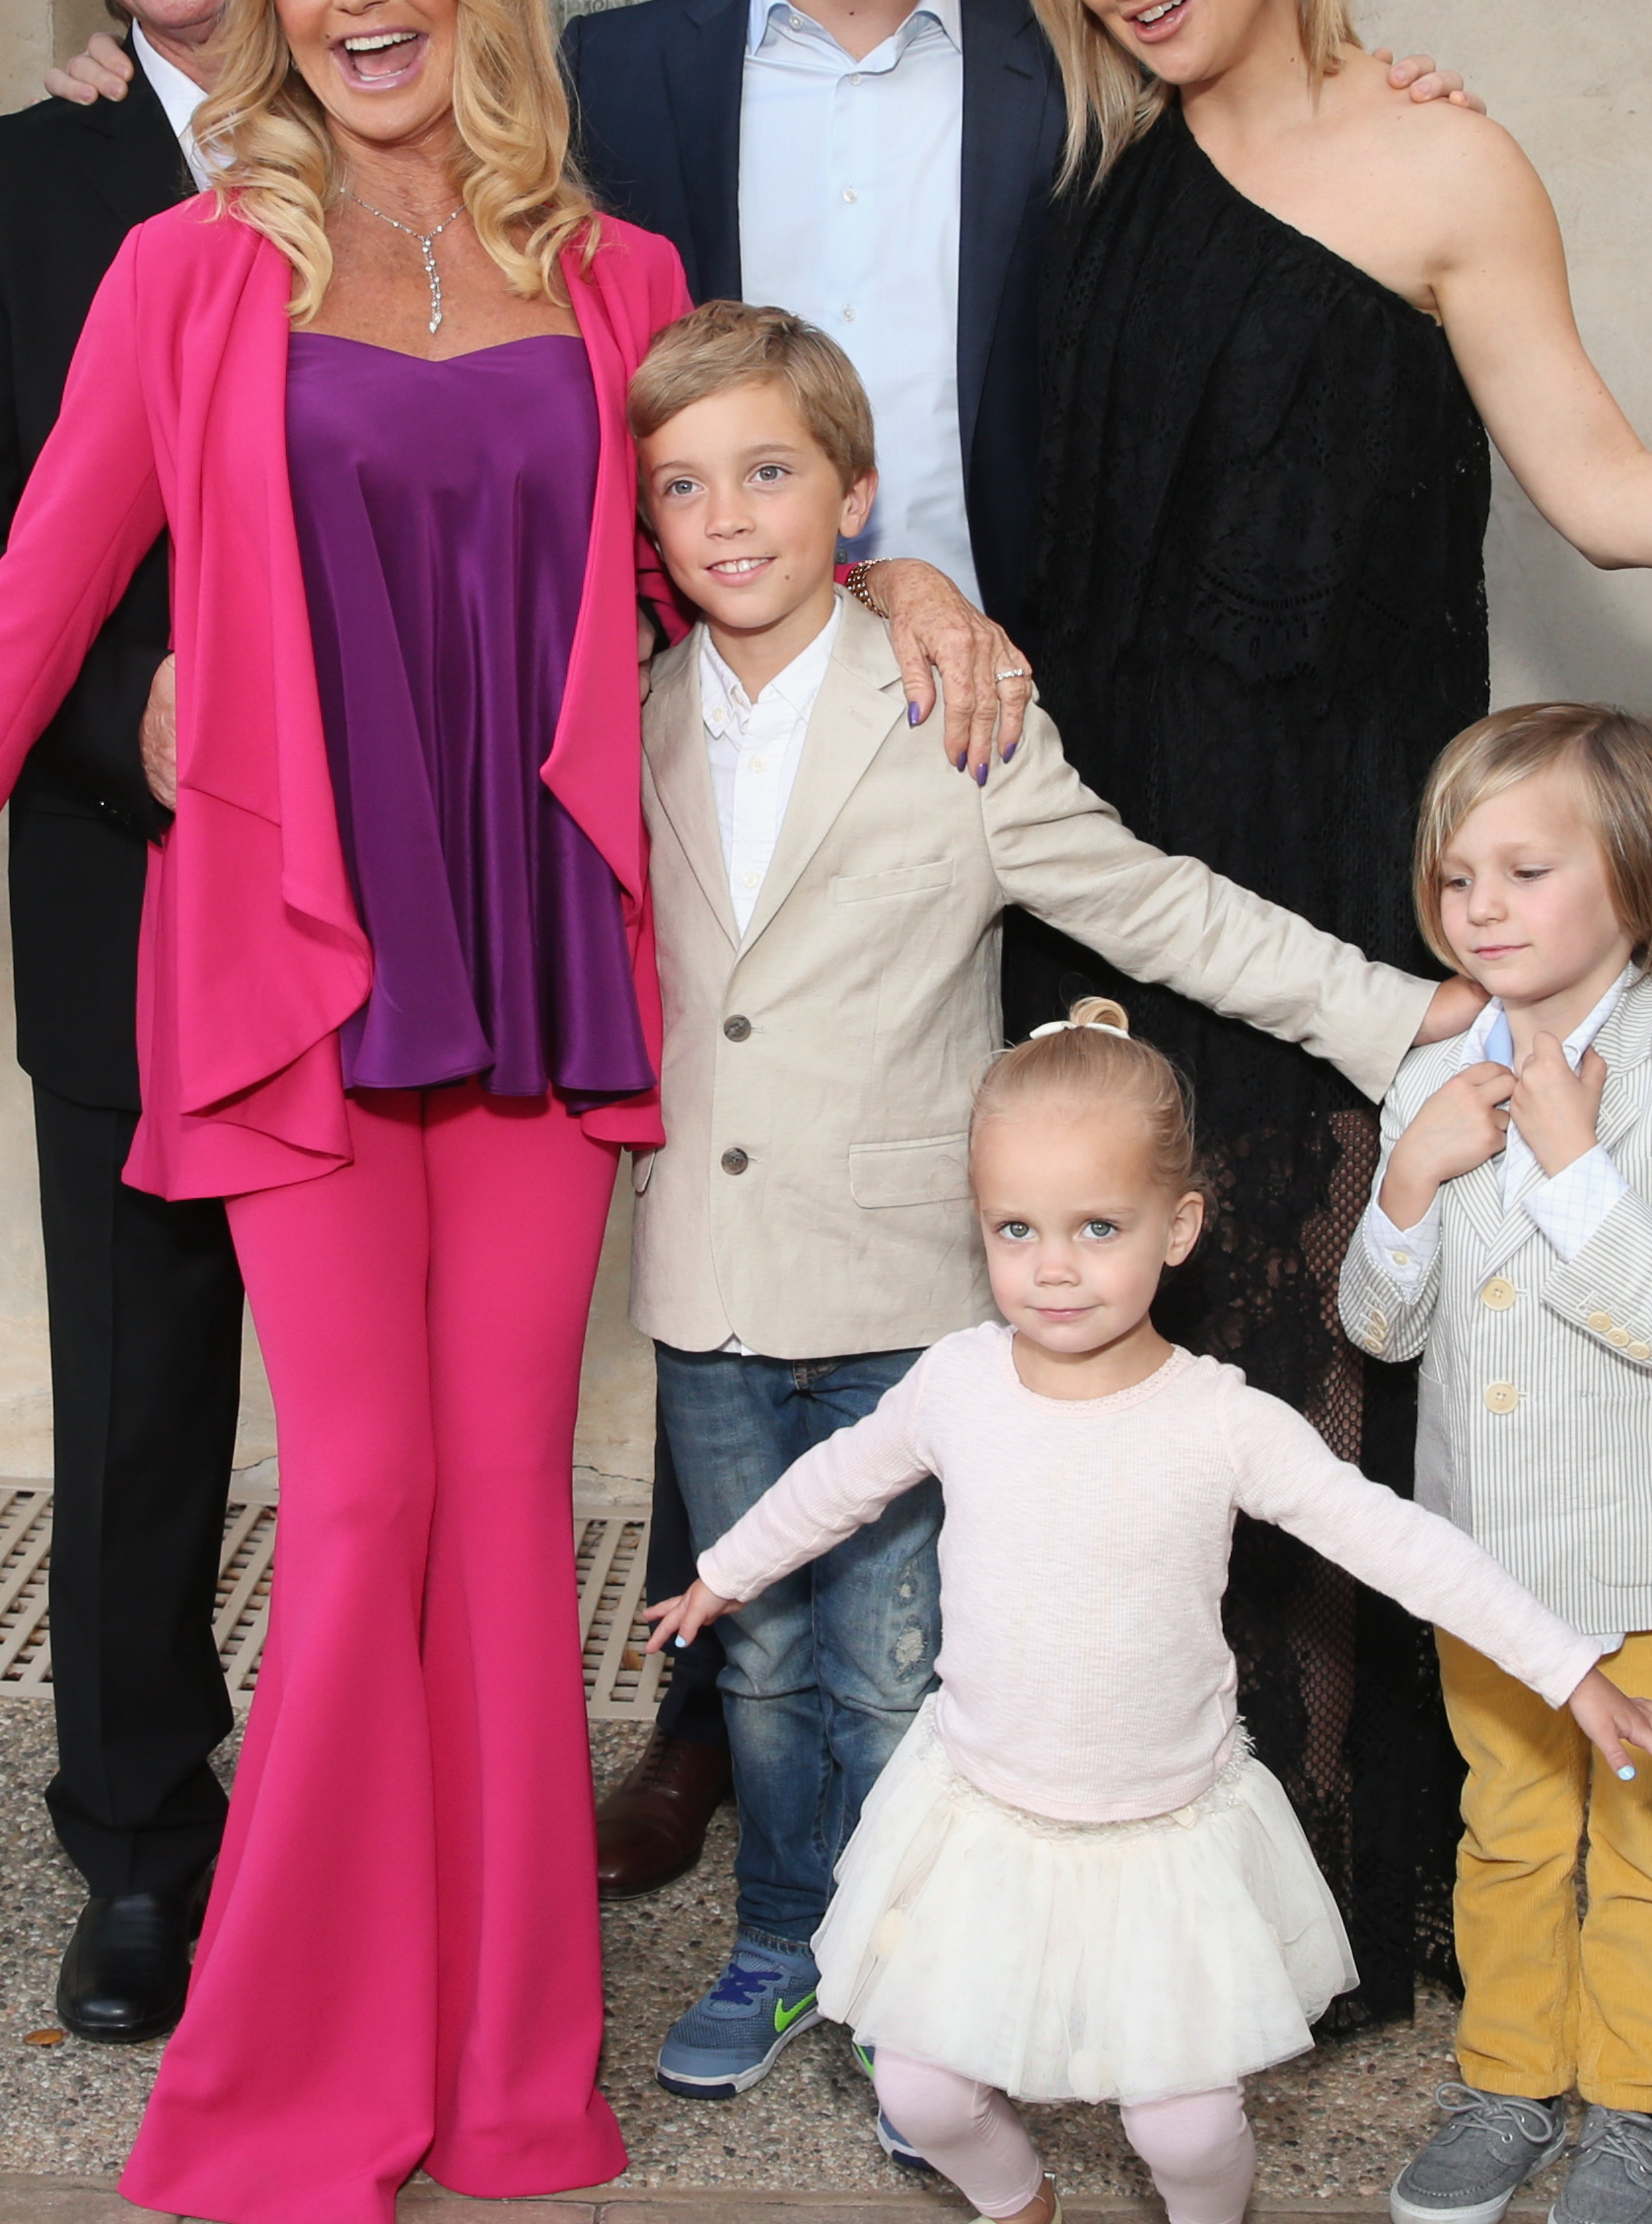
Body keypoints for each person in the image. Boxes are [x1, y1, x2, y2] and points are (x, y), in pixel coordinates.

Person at [0, 0, 679, 2224]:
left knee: (510, 1511)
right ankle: (295, 2059)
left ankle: (510, 2069)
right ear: (265, 1)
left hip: (535, 965)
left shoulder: (619, 276)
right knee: (365, 1490)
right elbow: (23, 608)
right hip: (296, 974)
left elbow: (747, 544)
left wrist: (908, 590)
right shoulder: (186, 275)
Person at [550, 0, 1480, 1894]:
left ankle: (991, 1696)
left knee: (995, 1245)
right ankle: (719, 1700)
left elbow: (1274, 196)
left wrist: (1399, 97)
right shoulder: (612, 79)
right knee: (755, 1164)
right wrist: (138, 87)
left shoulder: (1065, 62)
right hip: (728, 699)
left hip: (1027, 729)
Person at [996, 0, 1652, 2027]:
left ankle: (1329, 1916)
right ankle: (1133, 1881)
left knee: (1336, 1391)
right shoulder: (1085, 163)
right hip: (1104, 867)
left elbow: (1596, 481)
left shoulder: (1444, 161)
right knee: (1128, 1375)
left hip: (1351, 866)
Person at [618, 302, 1477, 2116]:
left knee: (905, 1657)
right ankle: (782, 1934)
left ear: (854, 498)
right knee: (761, 1660)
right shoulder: (623, 721)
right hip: (705, 1276)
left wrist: (1399, 1015)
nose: (728, 516)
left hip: (910, 1283)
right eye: (684, 485)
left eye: (768, 472)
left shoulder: (956, 719)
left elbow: (1158, 904)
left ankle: (908, 1980)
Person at [640, 1005, 1652, 2224]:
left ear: (1182, 1225)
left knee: (1185, 2125)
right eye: (1014, 1231)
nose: (1054, 1269)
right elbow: (840, 1479)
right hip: (985, 1808)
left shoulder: (1221, 1419)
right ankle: (1015, 2210)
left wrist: (1572, 1670)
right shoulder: (958, 1384)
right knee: (914, 2082)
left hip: (1161, 1824)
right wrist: (723, 1572)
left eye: (1099, 1227)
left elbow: (1401, 1542)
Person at [0, 0, 323, 2045]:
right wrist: (108, 714)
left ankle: (372, 1824)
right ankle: (140, 1844)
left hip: (396, 919)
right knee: (140, 1405)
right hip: (128, 890)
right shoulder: (2, 189)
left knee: (387, 1438)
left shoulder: (416, 148)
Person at [1340, 706, 1652, 2224]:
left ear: (1639, 886)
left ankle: (1643, 2104)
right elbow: (1380, 1326)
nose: (1483, 909)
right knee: (1508, 1830)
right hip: (1490, 1561)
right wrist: (1410, 1179)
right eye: (1458, 879)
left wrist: (1576, 1166)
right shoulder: (1432, 1081)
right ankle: (1510, 2082)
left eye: (1527, 869)